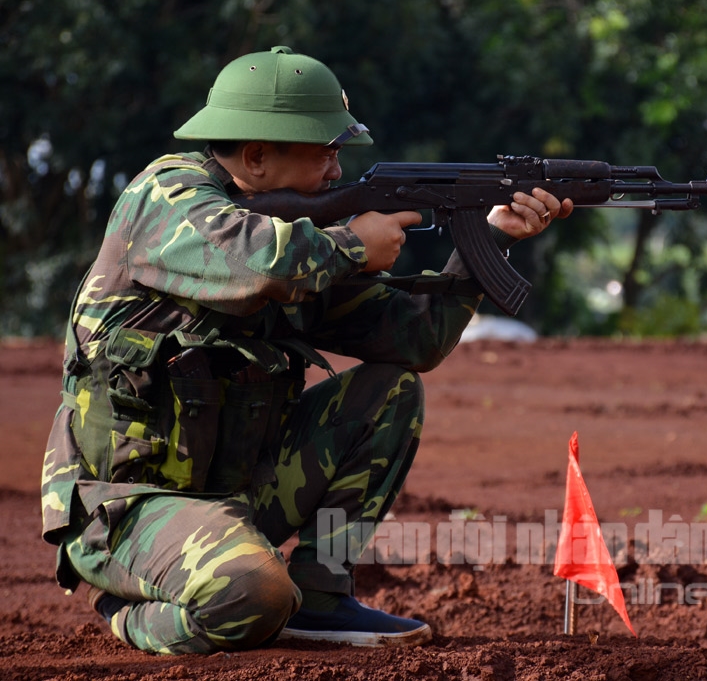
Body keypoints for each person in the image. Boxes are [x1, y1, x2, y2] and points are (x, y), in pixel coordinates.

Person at [40, 46, 572, 654]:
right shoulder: (166, 199)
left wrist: (492, 239)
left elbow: (413, 337)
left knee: (390, 392)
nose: (338, 172)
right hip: (127, 508)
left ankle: (321, 598)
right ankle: (131, 613)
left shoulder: (304, 247)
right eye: (325, 152)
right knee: (257, 597)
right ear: (257, 156)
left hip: (233, 496)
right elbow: (253, 264)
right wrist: (352, 244)